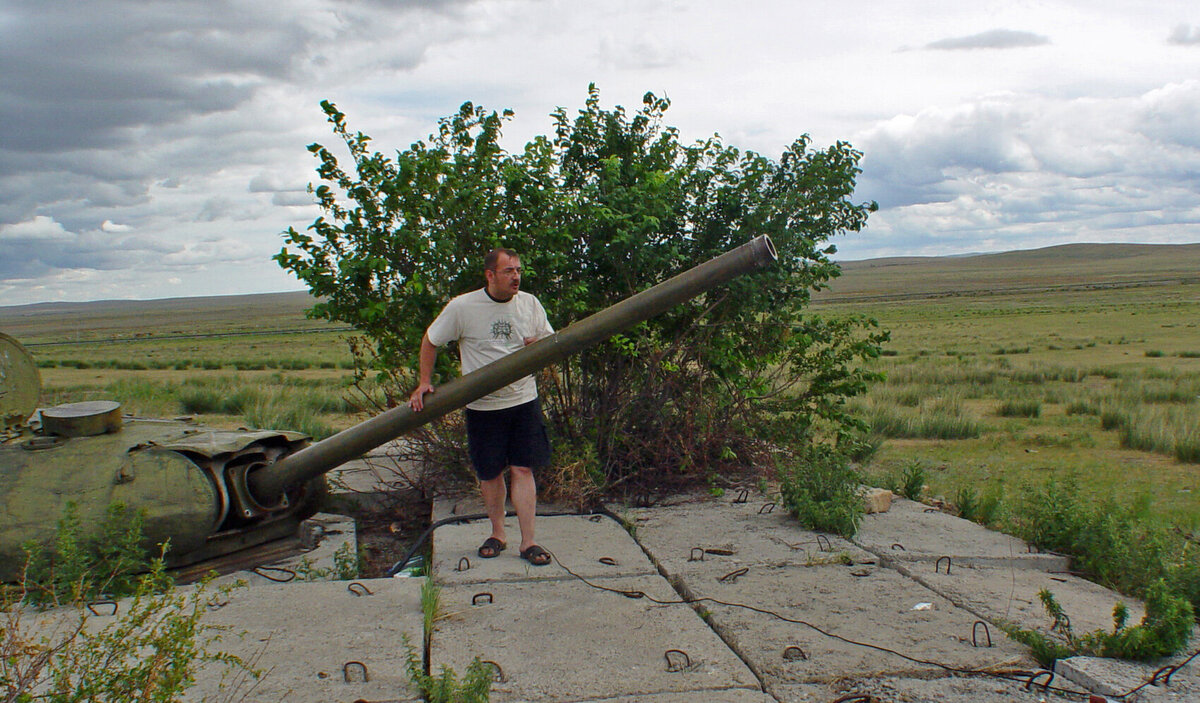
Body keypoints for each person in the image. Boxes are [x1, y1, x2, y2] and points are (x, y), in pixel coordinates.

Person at [408, 248, 555, 566]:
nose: (516, 276)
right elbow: (431, 340)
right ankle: (498, 533)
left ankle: (528, 541)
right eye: (508, 271)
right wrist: (424, 382)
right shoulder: (463, 307)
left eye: (518, 270)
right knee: (489, 473)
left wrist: (539, 346)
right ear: (490, 275)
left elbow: (549, 343)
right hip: (482, 407)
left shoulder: (529, 304)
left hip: (522, 400)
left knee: (523, 468)